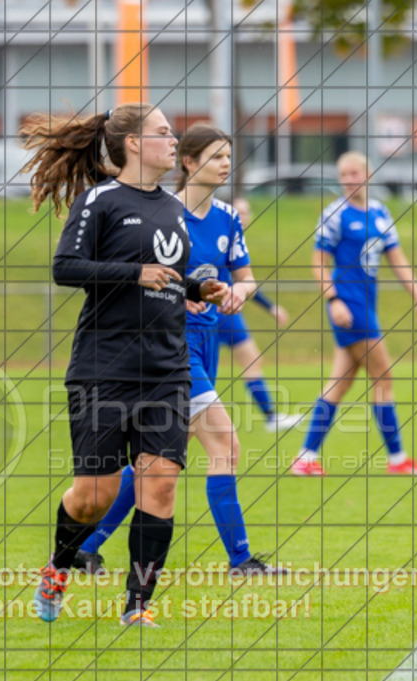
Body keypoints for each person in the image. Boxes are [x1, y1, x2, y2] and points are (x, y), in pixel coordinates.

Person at [20, 104, 229, 628]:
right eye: (163, 133)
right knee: (95, 496)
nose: (172, 140)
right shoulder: (100, 200)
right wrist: (135, 272)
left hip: (166, 368)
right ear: (134, 144)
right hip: (103, 368)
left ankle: (138, 606)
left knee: (160, 484)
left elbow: (169, 278)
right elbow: (65, 268)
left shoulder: (175, 209)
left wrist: (199, 288)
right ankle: (58, 568)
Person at [72, 123, 286, 578]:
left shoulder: (228, 217)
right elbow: (133, 271)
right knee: (226, 443)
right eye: (215, 156)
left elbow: (246, 278)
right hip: (171, 345)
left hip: (208, 343)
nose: (225, 164)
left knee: (156, 462)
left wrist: (237, 293)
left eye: (229, 156)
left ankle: (85, 548)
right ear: (188, 162)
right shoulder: (164, 213)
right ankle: (241, 560)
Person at [291, 151, 417, 477]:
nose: (349, 179)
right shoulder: (334, 214)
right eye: (344, 174)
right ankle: (398, 460)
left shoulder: (380, 213)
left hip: (366, 304)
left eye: (355, 173)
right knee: (383, 377)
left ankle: (305, 457)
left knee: (339, 384)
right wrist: (333, 300)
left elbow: (398, 261)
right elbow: (318, 263)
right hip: (349, 306)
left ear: (368, 175)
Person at [218, 197, 302, 432]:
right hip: (216, 310)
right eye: (239, 212)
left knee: (250, 360)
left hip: (226, 309)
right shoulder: (221, 236)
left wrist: (270, 307)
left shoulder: (235, 240)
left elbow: (245, 282)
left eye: (246, 212)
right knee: (203, 371)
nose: (244, 217)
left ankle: (271, 416)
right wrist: (270, 307)